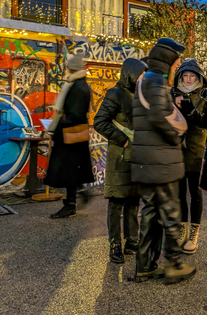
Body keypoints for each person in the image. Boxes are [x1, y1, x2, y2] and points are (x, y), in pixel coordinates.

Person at [130, 38, 196, 285]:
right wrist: (175, 135)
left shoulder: (143, 79)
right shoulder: (157, 80)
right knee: (170, 212)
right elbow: (159, 116)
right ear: (167, 59)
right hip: (161, 160)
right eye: (177, 60)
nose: (178, 64)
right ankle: (175, 265)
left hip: (147, 160)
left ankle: (145, 266)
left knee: (149, 213)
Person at [93, 58, 147, 263]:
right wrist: (122, 139)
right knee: (116, 202)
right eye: (141, 74)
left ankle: (132, 240)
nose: (143, 78)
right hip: (120, 157)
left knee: (133, 200)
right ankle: (115, 244)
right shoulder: (115, 93)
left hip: (137, 156)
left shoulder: (140, 95)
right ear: (131, 73)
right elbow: (99, 121)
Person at [45, 54, 94, 218]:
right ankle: (76, 195)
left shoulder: (76, 87)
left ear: (72, 68)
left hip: (69, 136)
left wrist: (59, 127)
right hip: (75, 135)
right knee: (72, 170)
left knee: (67, 170)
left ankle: (71, 203)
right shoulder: (79, 85)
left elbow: (75, 113)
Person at [171, 58, 207, 254]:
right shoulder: (172, 93)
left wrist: (190, 110)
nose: (188, 79)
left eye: (191, 75)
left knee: (195, 193)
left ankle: (194, 234)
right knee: (179, 194)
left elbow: (205, 123)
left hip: (196, 151)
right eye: (185, 75)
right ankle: (182, 231)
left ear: (198, 76)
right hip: (177, 151)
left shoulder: (206, 94)